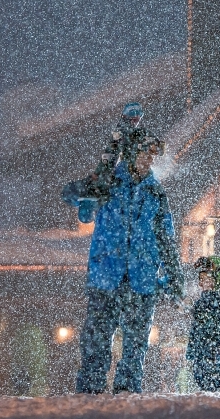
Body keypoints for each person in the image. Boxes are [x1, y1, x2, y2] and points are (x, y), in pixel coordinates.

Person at [71, 138, 183, 394]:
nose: (151, 159)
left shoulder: (155, 191)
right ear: (131, 154)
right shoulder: (108, 183)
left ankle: (127, 391)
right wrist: (90, 188)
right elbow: (72, 197)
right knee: (96, 338)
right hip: (106, 276)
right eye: (146, 153)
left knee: (136, 342)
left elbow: (166, 237)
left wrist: (174, 275)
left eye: (153, 155)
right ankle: (90, 389)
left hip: (142, 279)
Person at [186, 256, 220, 392]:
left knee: (215, 380)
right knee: (204, 378)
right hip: (204, 351)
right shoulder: (208, 298)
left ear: (218, 279)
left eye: (206, 279)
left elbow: (211, 320)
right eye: (200, 279)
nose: (201, 284)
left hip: (212, 351)